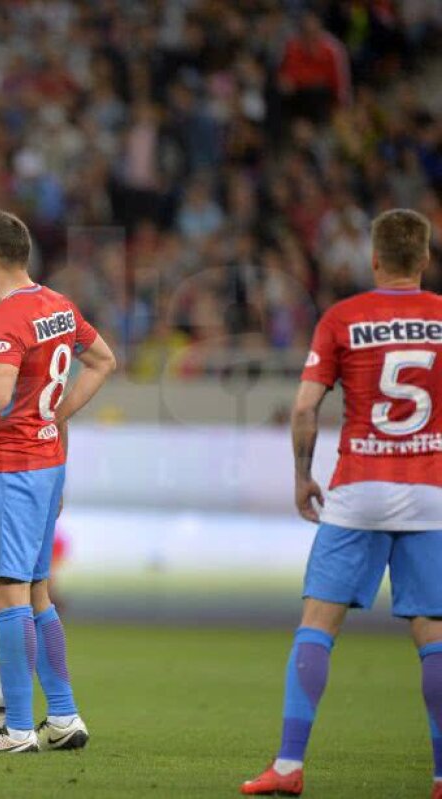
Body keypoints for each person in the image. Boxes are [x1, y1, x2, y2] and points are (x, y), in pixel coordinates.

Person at [241, 208, 442, 798]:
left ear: (374, 260)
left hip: (358, 492)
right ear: (425, 258)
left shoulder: (344, 318)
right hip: (431, 493)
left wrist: (303, 475)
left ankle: (288, 765)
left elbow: (305, 408)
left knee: (317, 628)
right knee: (433, 636)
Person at [0, 211, 116, 754]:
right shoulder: (58, 305)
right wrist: (56, 414)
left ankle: (18, 728)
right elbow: (104, 360)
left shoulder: (8, 316)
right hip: (48, 463)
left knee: (6, 593)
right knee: (38, 591)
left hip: (13, 465)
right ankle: (65, 716)